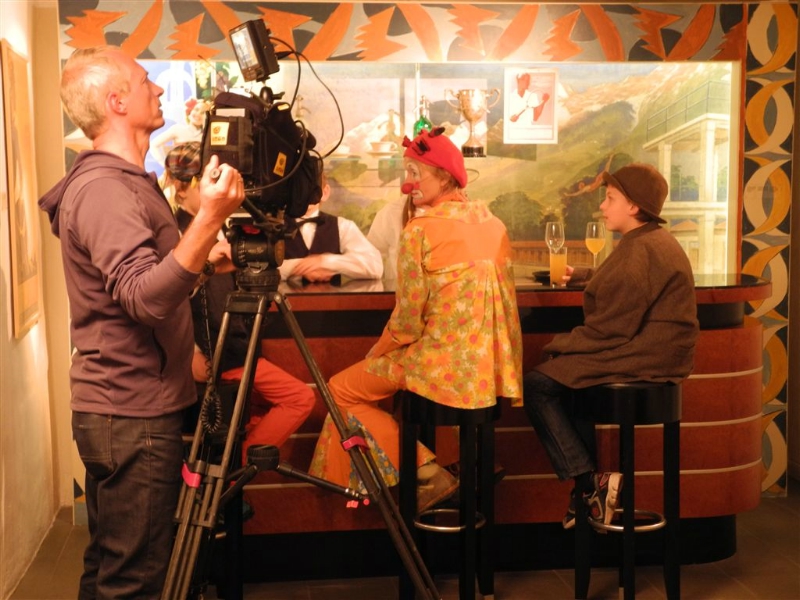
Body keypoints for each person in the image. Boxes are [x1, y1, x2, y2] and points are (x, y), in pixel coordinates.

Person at [38, 46, 244, 599]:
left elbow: (149, 285)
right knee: (136, 582)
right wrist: (208, 219)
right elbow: (145, 301)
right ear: (116, 102)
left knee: (111, 566)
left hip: (123, 409)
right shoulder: (106, 189)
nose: (156, 88)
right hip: (131, 414)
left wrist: (201, 263)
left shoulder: (123, 181)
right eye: (143, 80)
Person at [308, 127, 523, 513]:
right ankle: (464, 463)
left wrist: (377, 350)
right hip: (485, 372)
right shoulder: (495, 225)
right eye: (406, 173)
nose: (408, 184)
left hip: (437, 368)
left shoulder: (419, 230)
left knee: (339, 390)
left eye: (415, 173)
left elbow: (407, 323)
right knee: (409, 392)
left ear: (445, 177)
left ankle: (426, 471)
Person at [522, 162, 699, 529]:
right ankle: (590, 490)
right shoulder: (649, 239)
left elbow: (610, 331)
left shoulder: (639, 250)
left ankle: (588, 484)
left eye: (610, 198)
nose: (602, 206)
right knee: (566, 377)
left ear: (633, 206)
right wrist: (584, 276)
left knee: (539, 383)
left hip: (646, 353)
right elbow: (629, 283)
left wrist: (559, 345)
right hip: (654, 348)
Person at [164, 142, 316, 461]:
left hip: (233, 351)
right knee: (300, 398)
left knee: (253, 416)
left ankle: (234, 465)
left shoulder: (220, 229)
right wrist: (190, 353)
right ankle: (237, 470)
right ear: (182, 188)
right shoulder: (177, 234)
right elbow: (171, 299)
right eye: (208, 180)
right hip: (217, 358)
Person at [280, 170, 384, 282]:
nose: (305, 194)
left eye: (311, 188)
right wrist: (297, 266)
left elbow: (375, 267)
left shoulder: (343, 226)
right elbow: (265, 268)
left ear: (325, 193)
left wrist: (326, 262)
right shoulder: (274, 227)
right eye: (298, 189)